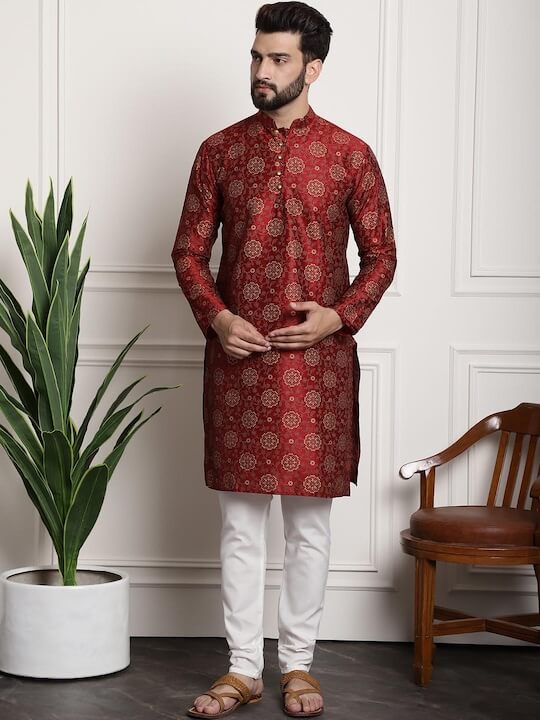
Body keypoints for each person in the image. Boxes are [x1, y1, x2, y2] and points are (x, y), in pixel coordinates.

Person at [171, 2, 396, 716]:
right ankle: (242, 669)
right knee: (241, 526)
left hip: (317, 369)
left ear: (312, 68)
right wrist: (219, 318)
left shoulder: (350, 154)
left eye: (278, 59)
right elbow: (187, 252)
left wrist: (339, 315)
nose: (261, 71)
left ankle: (299, 666)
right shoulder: (219, 151)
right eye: (256, 56)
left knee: (308, 527)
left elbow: (382, 257)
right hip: (239, 363)